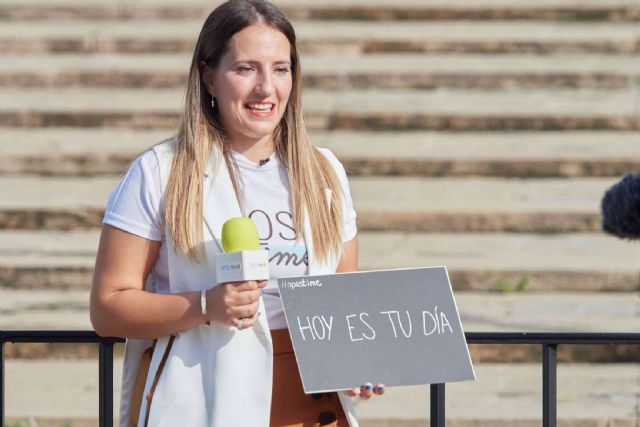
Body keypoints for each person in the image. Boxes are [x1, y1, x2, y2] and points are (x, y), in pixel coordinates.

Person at [90, 1, 384, 426]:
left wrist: (358, 361)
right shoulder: (160, 171)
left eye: (280, 69)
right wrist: (207, 304)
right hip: (207, 399)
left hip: (314, 407)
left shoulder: (326, 172)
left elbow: (340, 306)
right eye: (246, 69)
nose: (266, 88)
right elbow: (107, 308)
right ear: (209, 76)